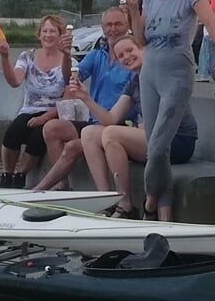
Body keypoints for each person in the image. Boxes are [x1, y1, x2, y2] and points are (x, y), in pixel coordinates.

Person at [126, 0, 215, 218]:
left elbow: (211, 24)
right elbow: (141, 40)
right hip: (150, 70)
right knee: (157, 148)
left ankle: (148, 198)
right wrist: (132, 10)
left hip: (177, 70)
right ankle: (160, 212)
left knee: (157, 145)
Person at [64, 36, 198, 220]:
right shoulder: (135, 82)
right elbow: (111, 118)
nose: (126, 57)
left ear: (143, 51)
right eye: (120, 55)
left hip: (177, 140)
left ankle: (125, 204)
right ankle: (107, 200)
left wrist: (141, 129)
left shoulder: (161, 74)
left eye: (130, 50)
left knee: (112, 134)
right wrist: (85, 98)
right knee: (89, 133)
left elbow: (168, 117)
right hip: (151, 137)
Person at [33, 5, 135, 190]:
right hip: (94, 121)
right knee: (52, 127)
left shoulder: (131, 59)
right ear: (102, 28)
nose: (113, 29)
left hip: (120, 124)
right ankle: (62, 187)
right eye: (109, 25)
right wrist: (66, 55)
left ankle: (40, 190)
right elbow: (69, 77)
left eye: (118, 24)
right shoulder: (97, 55)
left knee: (72, 147)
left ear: (127, 25)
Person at [0, 15, 76, 188]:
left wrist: (44, 118)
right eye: (44, 31)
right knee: (13, 133)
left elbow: (68, 98)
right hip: (30, 109)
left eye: (53, 31)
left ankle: (20, 175)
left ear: (61, 35)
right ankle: (6, 174)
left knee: (37, 138)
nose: (48, 35)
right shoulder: (27, 57)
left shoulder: (70, 61)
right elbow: (14, 81)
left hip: (55, 111)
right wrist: (4, 57)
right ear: (39, 35)